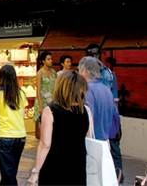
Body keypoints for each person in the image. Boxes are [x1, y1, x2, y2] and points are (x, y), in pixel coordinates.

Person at [28, 71, 93, 185]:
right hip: (78, 167)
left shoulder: (50, 111)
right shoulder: (86, 111)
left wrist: (35, 171)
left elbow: (45, 144)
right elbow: (89, 138)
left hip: (54, 168)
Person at [87, 43, 123, 182]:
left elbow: (115, 99)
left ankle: (117, 176)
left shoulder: (107, 74)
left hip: (104, 116)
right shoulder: (106, 73)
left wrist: (117, 121)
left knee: (112, 148)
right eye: (91, 54)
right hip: (101, 115)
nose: (94, 57)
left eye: (95, 54)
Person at [0, 65, 27, 185]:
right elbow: (22, 114)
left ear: (1, 77)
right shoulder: (21, 93)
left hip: (5, 136)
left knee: (8, 173)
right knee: (11, 171)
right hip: (20, 136)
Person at [33, 51, 57, 137]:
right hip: (42, 101)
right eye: (48, 59)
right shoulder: (40, 73)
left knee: (52, 124)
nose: (51, 61)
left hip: (52, 101)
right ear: (43, 61)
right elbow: (38, 90)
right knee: (42, 125)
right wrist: (40, 106)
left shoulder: (54, 72)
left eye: (51, 59)